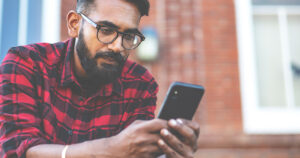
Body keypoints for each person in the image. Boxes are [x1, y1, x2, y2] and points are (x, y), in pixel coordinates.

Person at [0, 0, 200, 157]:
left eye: (129, 36)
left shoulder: (139, 84)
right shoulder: (26, 63)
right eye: (106, 30)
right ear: (74, 24)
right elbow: (16, 151)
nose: (117, 46)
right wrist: (109, 149)